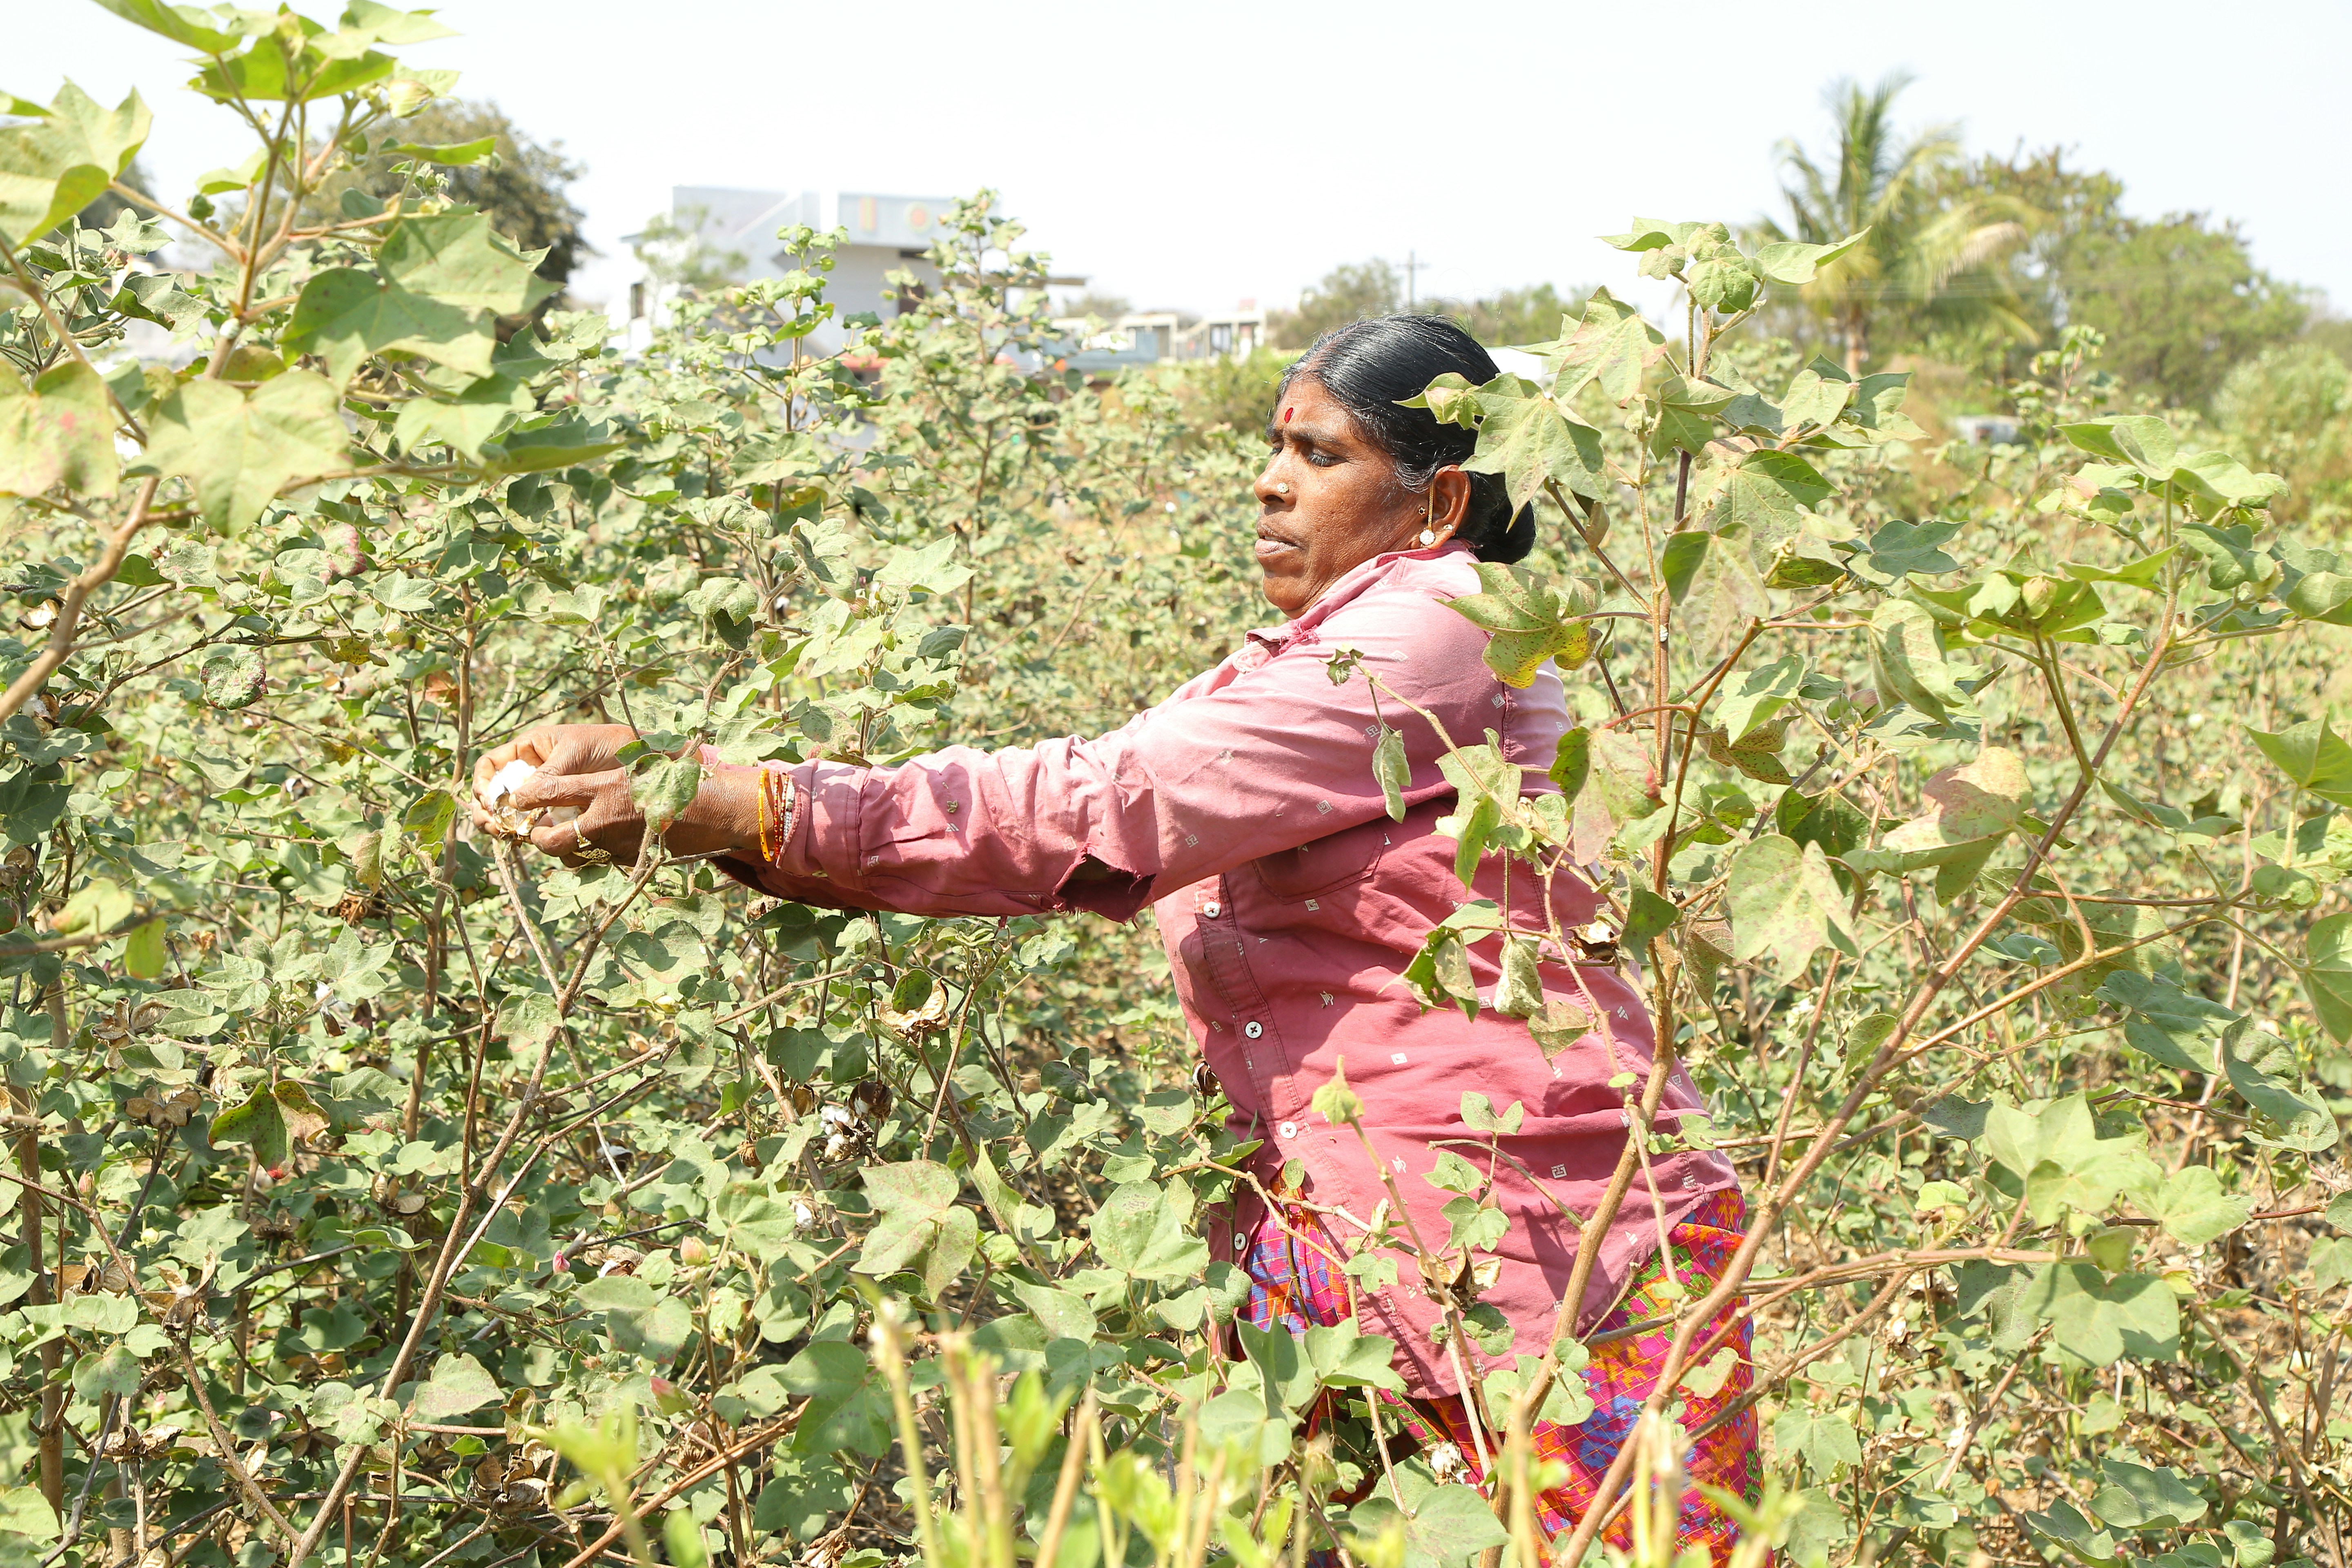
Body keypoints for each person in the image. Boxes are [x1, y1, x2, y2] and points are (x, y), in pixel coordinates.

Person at [472, 315, 1756, 1554]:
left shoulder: (1436, 630)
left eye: (1320, 456)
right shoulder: (1301, 654)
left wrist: (734, 797)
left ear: (1434, 503)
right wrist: (714, 806)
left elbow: (1103, 802)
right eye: (1274, 447)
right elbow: (1082, 808)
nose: (1268, 485)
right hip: (1343, 1245)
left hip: (1541, 1257)